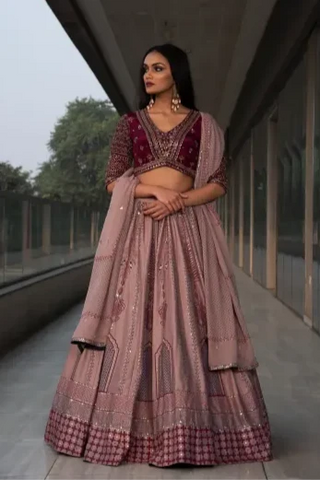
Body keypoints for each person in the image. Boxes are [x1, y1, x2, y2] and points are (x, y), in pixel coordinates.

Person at [44, 43, 272, 468]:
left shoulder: (204, 126)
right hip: (138, 234)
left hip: (187, 235)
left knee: (187, 320)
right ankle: (120, 428)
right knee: (128, 323)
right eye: (145, 68)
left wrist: (179, 202)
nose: (148, 75)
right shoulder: (129, 124)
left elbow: (218, 183)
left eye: (158, 68)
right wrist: (159, 191)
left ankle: (189, 428)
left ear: (176, 75)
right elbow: (115, 181)